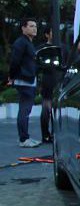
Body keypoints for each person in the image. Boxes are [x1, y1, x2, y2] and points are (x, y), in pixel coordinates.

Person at [8, 18, 41, 147]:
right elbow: (14, 61)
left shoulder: (28, 43)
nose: (34, 28)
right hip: (24, 80)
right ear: (23, 28)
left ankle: (25, 137)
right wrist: (12, 76)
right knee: (24, 110)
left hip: (29, 80)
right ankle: (23, 139)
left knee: (25, 110)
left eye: (35, 26)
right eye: (31, 26)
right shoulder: (21, 43)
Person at [38, 26, 60, 143]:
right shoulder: (42, 49)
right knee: (46, 109)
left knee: (55, 109)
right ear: (47, 35)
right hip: (47, 81)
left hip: (58, 80)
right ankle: (45, 134)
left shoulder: (61, 47)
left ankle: (54, 133)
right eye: (52, 32)